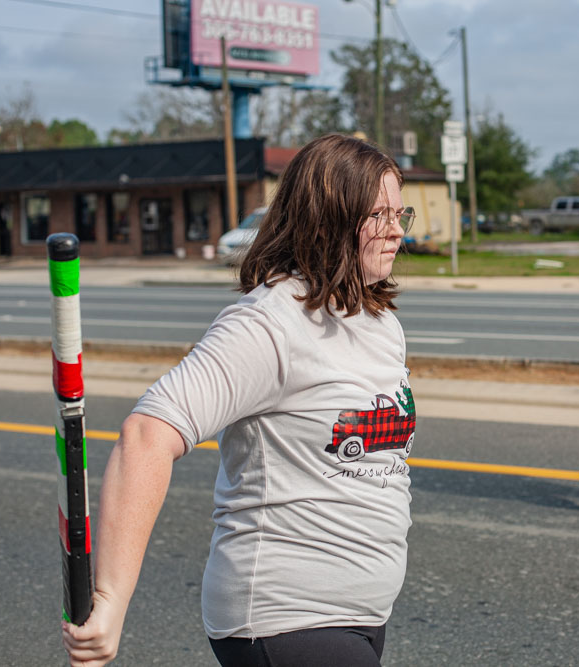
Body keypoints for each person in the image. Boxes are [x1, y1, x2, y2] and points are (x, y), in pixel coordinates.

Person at [63, 134, 419, 667]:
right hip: (284, 617)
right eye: (377, 215)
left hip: (362, 616)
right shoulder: (269, 323)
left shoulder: (380, 321)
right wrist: (110, 599)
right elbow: (147, 435)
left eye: (399, 213)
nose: (396, 230)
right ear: (329, 219)